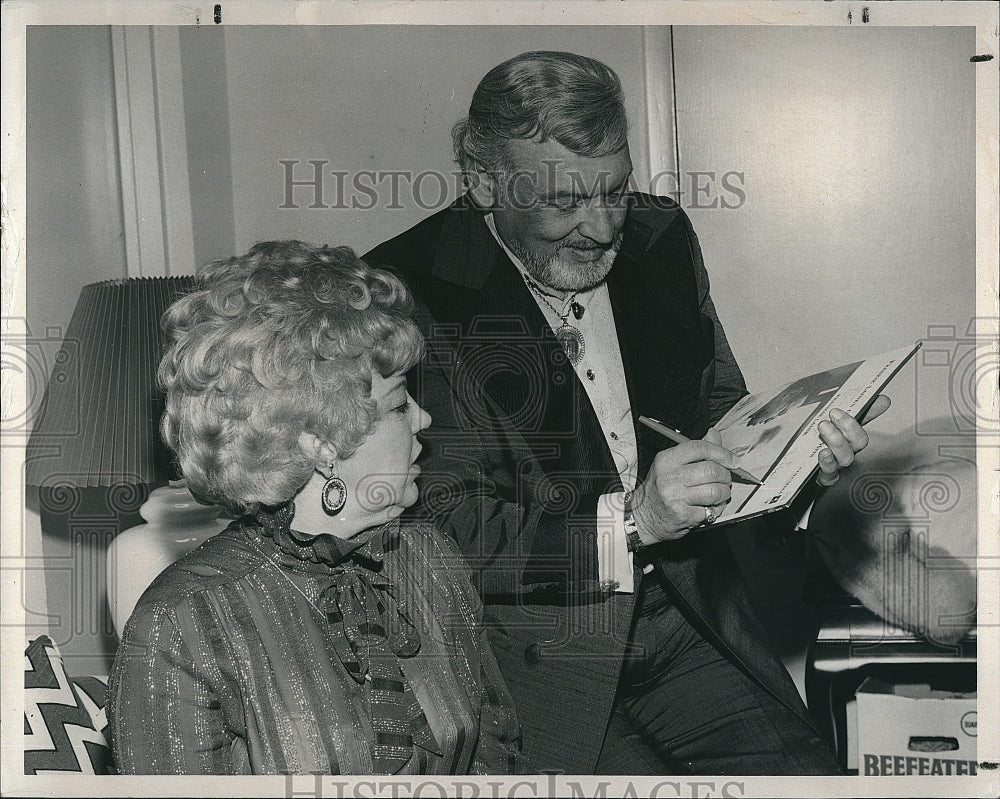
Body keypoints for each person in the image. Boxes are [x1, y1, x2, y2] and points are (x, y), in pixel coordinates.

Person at [365, 51, 890, 775]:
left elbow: (717, 409)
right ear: (485, 181)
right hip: (533, 661)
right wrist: (634, 521)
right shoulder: (403, 290)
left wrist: (798, 458)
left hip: (689, 619)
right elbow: (442, 526)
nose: (602, 227)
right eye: (563, 201)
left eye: (615, 190)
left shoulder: (659, 236)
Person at [107, 241, 521, 775]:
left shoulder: (429, 559)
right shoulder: (184, 621)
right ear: (321, 441)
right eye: (399, 403)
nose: (423, 419)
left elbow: (498, 754)